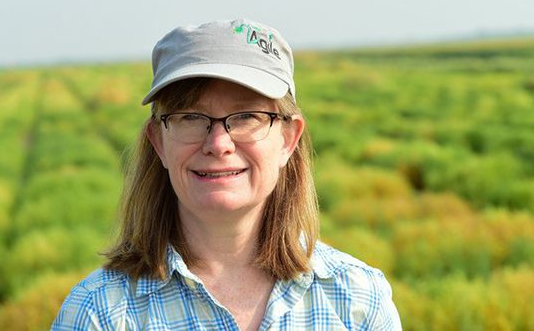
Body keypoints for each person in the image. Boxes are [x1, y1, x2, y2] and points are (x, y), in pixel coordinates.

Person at [52, 19, 402, 330]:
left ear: (288, 139)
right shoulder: (100, 314)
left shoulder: (358, 301)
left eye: (247, 116)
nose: (218, 144)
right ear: (158, 141)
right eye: (190, 116)